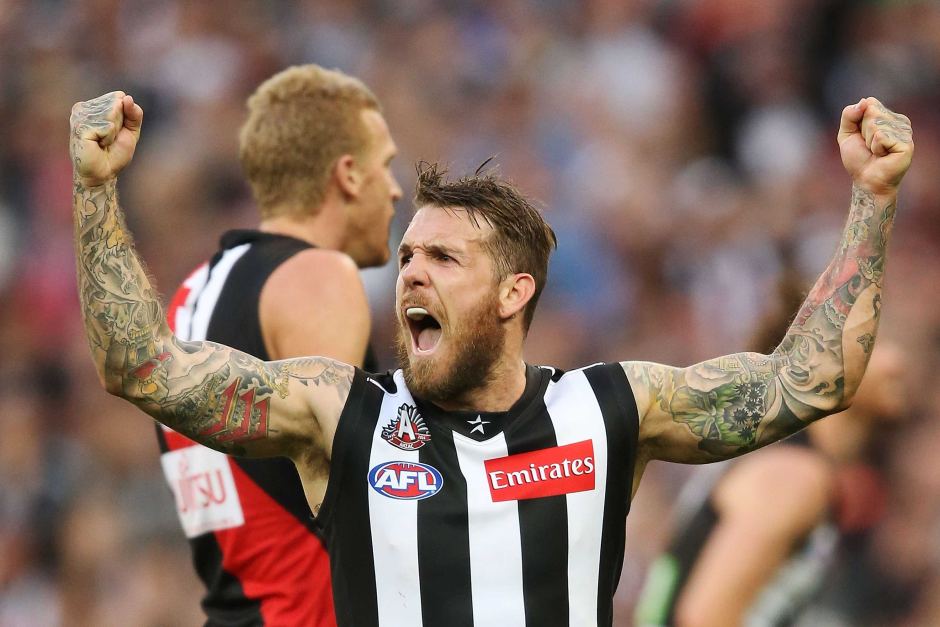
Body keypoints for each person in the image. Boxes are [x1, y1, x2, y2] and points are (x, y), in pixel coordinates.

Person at [69, 90, 912, 627]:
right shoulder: (342, 414)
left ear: (514, 293)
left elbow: (814, 377)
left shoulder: (614, 406)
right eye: (405, 258)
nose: (409, 275)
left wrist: (871, 199)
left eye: (442, 258)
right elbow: (142, 369)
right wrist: (96, 190)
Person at [156, 65, 401, 626]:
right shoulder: (319, 275)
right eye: (384, 164)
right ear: (347, 175)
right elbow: (359, 485)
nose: (394, 188)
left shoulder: (189, 296)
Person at [633, 331, 907, 626]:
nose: (899, 362)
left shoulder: (781, 458)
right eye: (876, 344)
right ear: (827, 360)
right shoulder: (793, 477)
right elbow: (703, 619)